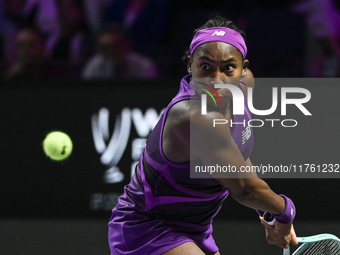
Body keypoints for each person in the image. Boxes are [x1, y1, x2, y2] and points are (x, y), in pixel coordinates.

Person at [108, 15, 298, 255]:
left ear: (244, 69)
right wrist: (285, 211)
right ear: (190, 64)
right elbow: (244, 188)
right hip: (147, 228)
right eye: (205, 67)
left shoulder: (244, 87)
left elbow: (236, 155)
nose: (216, 80)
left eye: (228, 67)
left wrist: (268, 212)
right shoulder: (195, 118)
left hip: (196, 229)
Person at [81, 26, 158, 80]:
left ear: (127, 44)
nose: (112, 52)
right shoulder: (93, 66)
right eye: (106, 48)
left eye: (117, 46)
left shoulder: (145, 66)